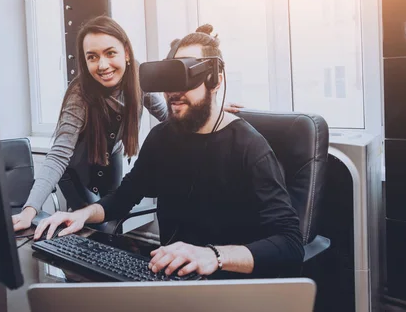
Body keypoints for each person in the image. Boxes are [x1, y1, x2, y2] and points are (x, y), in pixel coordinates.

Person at [33, 24, 304, 279]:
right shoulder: (162, 139)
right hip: (168, 278)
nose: (173, 91)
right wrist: (81, 215)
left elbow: (290, 244)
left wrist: (214, 256)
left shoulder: (249, 148)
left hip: (225, 285)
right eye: (168, 78)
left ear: (215, 80)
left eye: (186, 77)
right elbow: (123, 198)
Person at [12, 16, 243, 232]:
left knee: (114, 217)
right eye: (92, 57)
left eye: (110, 53)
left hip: (111, 157)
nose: (102, 65)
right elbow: (59, 154)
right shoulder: (79, 94)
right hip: (75, 169)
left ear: (126, 53)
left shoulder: (137, 79)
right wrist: (29, 210)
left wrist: (206, 108)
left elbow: (166, 114)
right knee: (94, 228)